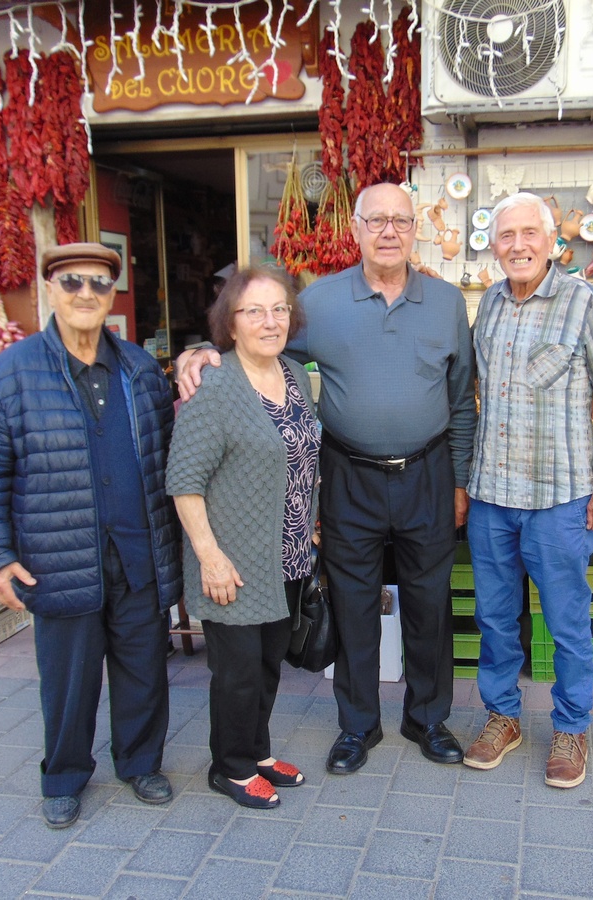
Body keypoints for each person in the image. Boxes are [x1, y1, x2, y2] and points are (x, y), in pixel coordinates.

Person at [176, 182, 477, 774]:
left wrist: (459, 479)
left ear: (415, 230)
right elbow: (261, 344)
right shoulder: (322, 301)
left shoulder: (446, 303)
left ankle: (428, 717)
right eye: (376, 221)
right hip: (348, 476)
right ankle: (357, 725)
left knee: (429, 602)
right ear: (357, 230)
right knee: (353, 602)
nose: (389, 231)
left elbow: (462, 398)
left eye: (401, 221)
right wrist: (200, 353)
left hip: (428, 474)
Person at [0, 242, 182, 829]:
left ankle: (140, 763)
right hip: (59, 557)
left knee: (143, 671)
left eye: (100, 284)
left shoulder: (138, 368)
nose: (86, 294)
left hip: (137, 554)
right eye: (73, 282)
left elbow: (169, 460)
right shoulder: (13, 373)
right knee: (67, 682)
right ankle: (63, 775)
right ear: (50, 290)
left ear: (113, 295)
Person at [461, 192, 593, 789]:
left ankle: (571, 725)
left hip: (560, 497)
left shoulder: (585, 301)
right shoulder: (488, 305)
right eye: (504, 236)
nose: (517, 246)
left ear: (551, 238)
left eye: (527, 234)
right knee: (496, 618)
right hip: (491, 495)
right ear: (493, 243)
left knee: (567, 621)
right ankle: (502, 718)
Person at [166, 266, 319, 809]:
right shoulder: (215, 385)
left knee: (268, 667)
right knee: (236, 675)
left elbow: (299, 457)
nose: (269, 320)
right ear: (229, 325)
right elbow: (184, 481)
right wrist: (209, 558)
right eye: (254, 311)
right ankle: (228, 767)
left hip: (291, 554)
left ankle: (256, 752)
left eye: (279, 309)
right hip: (231, 561)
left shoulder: (296, 376)